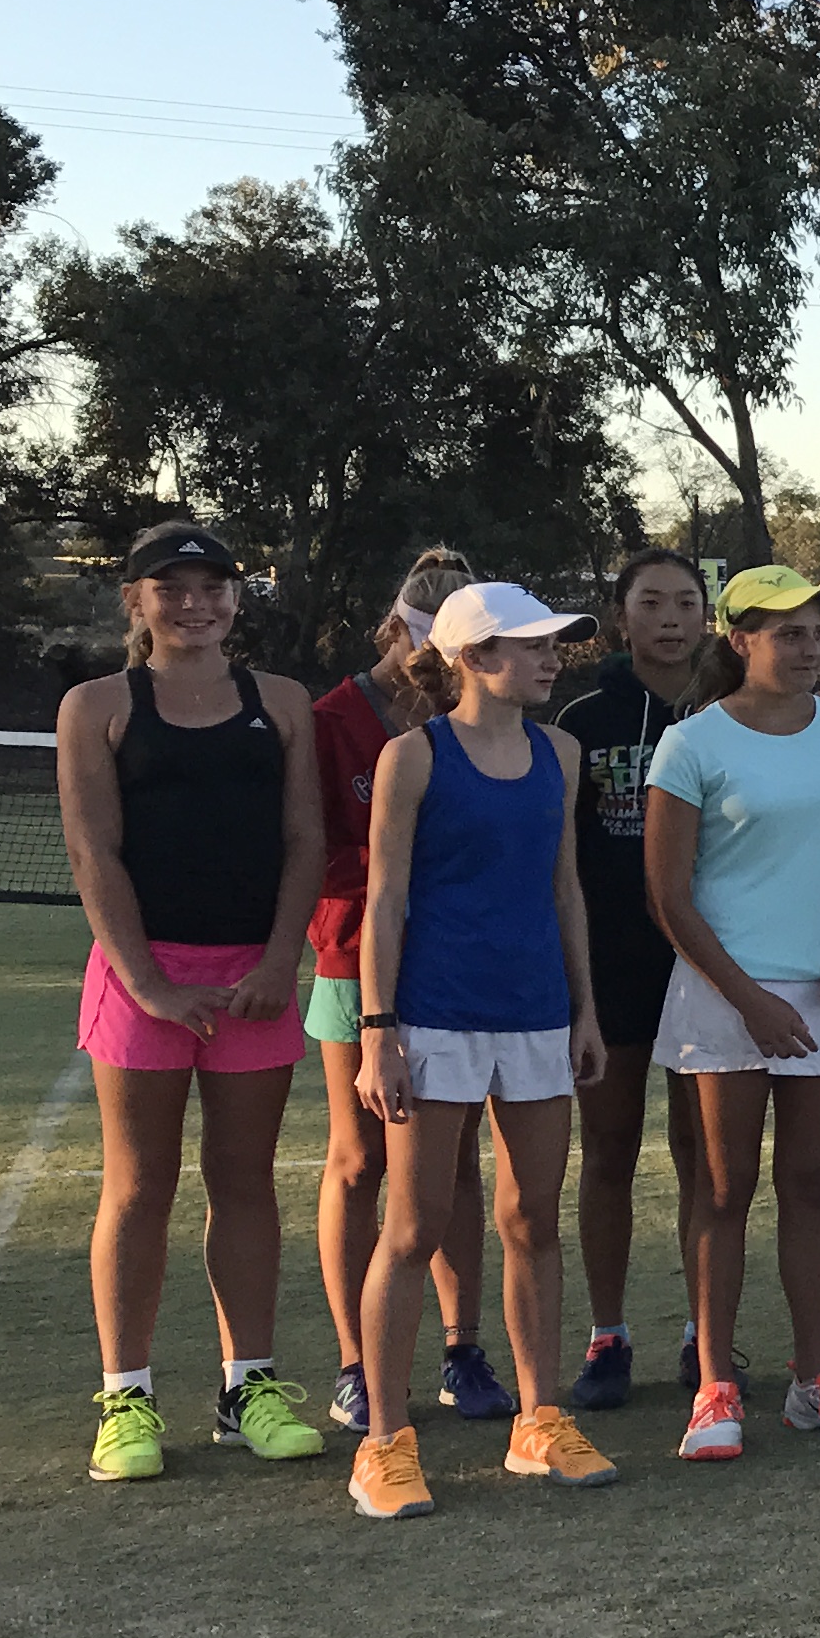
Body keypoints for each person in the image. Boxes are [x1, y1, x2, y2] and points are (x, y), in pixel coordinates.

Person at [53, 520, 328, 1484]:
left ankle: (245, 1385)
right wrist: (148, 983)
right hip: (146, 979)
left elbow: (306, 843)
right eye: (171, 587)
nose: (195, 602)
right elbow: (96, 852)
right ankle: (125, 1398)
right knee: (139, 1185)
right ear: (137, 602)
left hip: (255, 977)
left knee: (245, 1182)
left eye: (214, 586)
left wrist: (277, 962)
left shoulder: (283, 702)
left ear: (236, 601)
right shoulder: (97, 706)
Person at [343, 584, 617, 1518]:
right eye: (532, 645)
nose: (551, 660)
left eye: (555, 645)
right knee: (414, 1230)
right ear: (470, 655)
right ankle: (383, 1442)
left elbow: (565, 891)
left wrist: (584, 1012)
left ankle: (538, 1421)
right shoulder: (410, 758)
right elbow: (384, 901)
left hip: (538, 1017)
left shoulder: (564, 753)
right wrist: (377, 1032)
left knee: (532, 1219)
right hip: (433, 1019)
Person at [644, 565, 820, 1460]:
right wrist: (749, 1000)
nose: (809, 647)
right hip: (723, 995)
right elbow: (669, 898)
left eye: (818, 632)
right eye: (786, 631)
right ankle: (716, 1390)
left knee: (811, 1186)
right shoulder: (691, 746)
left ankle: (813, 1382)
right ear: (739, 640)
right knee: (722, 1190)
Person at [305, 549, 491, 1433]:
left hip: (455, 971)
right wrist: (404, 872)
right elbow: (318, 855)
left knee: (453, 1166)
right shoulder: (335, 718)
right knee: (359, 1159)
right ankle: (355, 1364)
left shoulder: (475, 714)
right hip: (354, 966)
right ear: (400, 629)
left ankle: (464, 1350)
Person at [558, 547, 711, 1407]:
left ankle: (704, 1335)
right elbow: (563, 863)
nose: (669, 618)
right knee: (609, 1151)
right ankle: (607, 1338)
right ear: (622, 617)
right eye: (651, 602)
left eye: (685, 602)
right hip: (609, 971)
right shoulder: (580, 720)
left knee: (705, 1160)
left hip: (707, 970)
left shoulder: (732, 711)